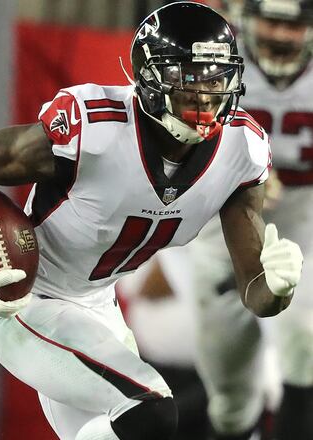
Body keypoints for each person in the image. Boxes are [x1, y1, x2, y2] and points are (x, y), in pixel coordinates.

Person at [0, 2, 303, 439]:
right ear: (148, 77)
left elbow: (254, 293)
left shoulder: (243, 150)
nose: (204, 94)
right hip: (28, 298)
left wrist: (278, 289)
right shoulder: (94, 127)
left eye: (215, 77)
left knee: (132, 425)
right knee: (151, 411)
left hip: (98, 307)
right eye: (187, 77)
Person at [168, 0, 313, 438]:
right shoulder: (210, 58)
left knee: (304, 345)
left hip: (302, 222)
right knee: (230, 393)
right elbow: (170, 138)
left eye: (294, 25)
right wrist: (243, 166)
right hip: (221, 228)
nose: (281, 36)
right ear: (245, 17)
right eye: (271, 20)